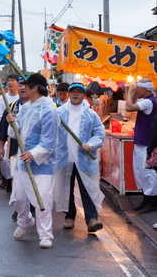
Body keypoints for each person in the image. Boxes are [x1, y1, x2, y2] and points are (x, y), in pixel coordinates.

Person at [7, 73, 58, 249]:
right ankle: (24, 221)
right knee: (20, 198)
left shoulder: (50, 110)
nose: (22, 88)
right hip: (23, 163)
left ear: (35, 88)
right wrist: (12, 123)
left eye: (26, 85)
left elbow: (49, 141)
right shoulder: (24, 108)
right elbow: (15, 134)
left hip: (42, 165)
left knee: (42, 199)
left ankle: (45, 234)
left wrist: (34, 153)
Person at [55, 83, 105, 233]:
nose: (76, 94)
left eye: (79, 92)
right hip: (65, 158)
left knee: (87, 188)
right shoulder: (59, 113)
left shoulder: (91, 114)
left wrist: (90, 144)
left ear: (84, 95)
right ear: (69, 94)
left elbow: (99, 134)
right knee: (66, 187)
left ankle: (92, 219)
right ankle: (69, 217)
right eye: (73, 92)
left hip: (84, 159)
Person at [125, 79, 157, 213]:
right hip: (141, 141)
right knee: (140, 172)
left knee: (148, 173)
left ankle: (153, 201)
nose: (135, 89)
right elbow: (132, 104)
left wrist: (129, 90)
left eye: (138, 88)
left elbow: (128, 107)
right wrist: (134, 92)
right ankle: (146, 199)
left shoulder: (149, 101)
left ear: (144, 89)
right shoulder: (147, 100)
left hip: (146, 143)